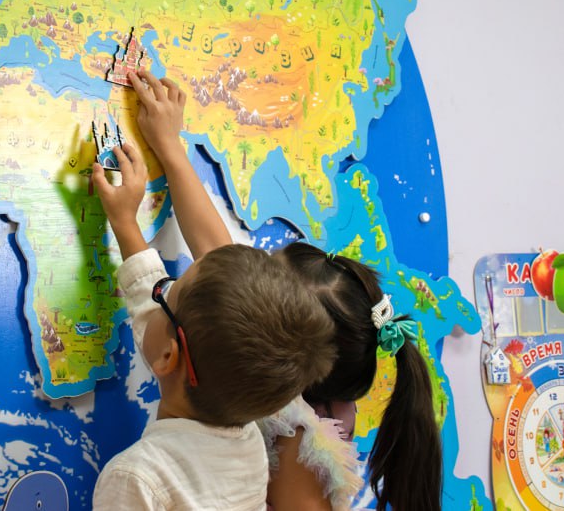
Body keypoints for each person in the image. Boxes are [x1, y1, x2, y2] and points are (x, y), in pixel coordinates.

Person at [125, 68, 443, 511]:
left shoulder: (299, 440)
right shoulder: (289, 391)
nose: (247, 269)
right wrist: (169, 147)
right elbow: (217, 251)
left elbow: (217, 255)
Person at [91, 138, 338, 511]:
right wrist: (125, 224)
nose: (159, 294)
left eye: (166, 296)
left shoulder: (137, 479)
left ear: (170, 356)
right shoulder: (250, 442)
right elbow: (160, 324)